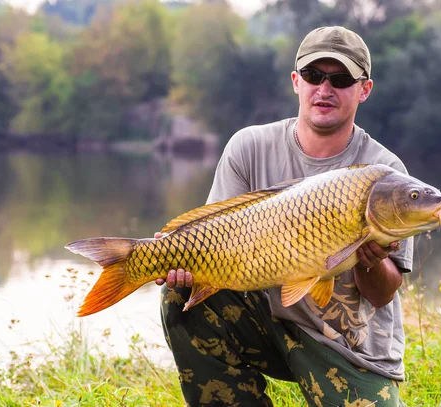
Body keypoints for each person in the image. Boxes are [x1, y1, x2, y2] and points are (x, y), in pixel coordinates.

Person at [156, 26, 414, 407]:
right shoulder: (250, 146)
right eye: (313, 76)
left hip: (346, 343)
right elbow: (215, 240)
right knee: (177, 294)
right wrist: (178, 257)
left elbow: (381, 294)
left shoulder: (386, 175)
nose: (324, 89)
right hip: (265, 318)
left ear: (364, 89)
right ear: (296, 82)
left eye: (341, 79)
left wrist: (370, 262)